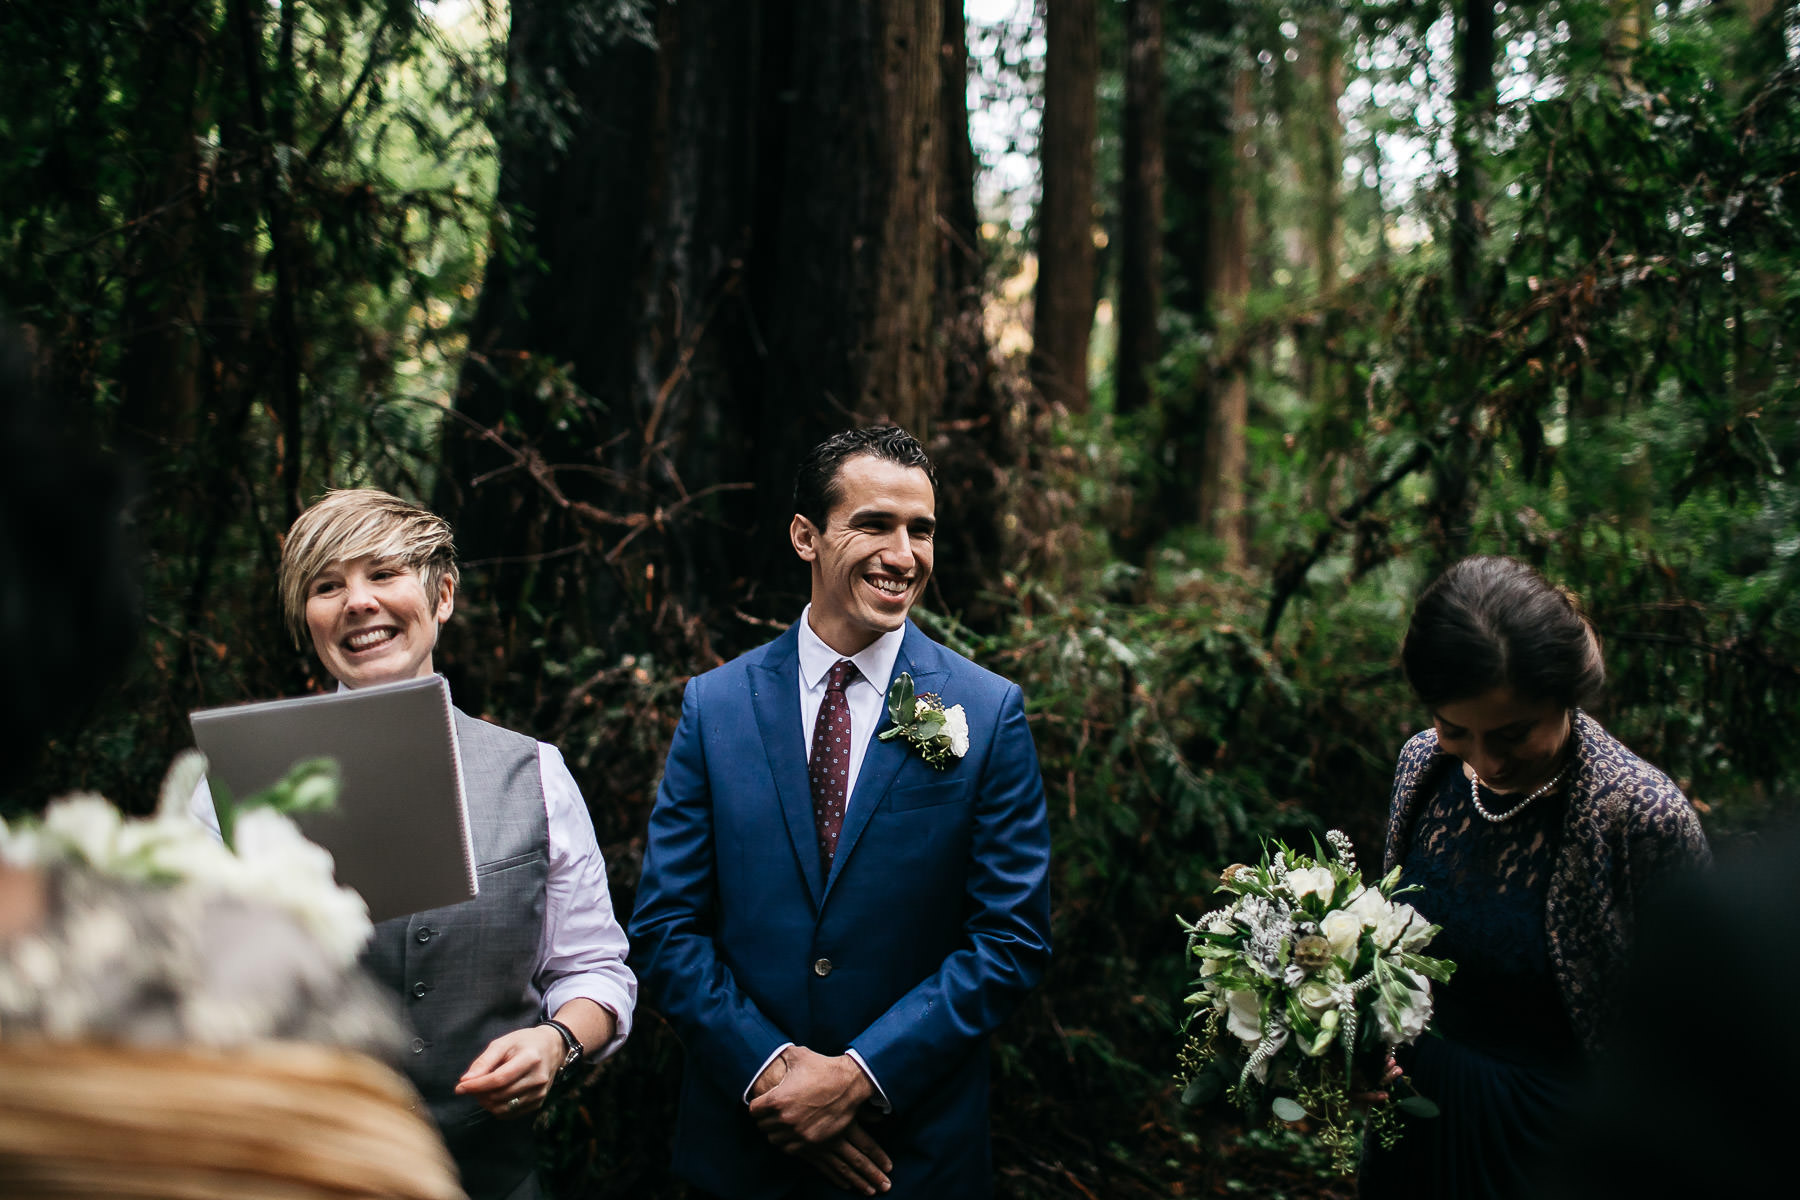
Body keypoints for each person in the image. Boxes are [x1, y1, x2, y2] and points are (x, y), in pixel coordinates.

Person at [629, 426, 1053, 1199]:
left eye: (920, 530)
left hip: (911, 1158)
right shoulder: (715, 705)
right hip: (742, 1149)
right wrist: (774, 1074)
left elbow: (1011, 937)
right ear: (805, 536)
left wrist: (861, 1076)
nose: (903, 555)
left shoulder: (986, 714)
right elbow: (665, 927)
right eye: (873, 524)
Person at [191, 489, 637, 1200]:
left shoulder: (535, 774)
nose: (357, 602)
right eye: (327, 585)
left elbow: (595, 971)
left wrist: (556, 1044)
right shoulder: (235, 785)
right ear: (308, 618)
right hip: (302, 1172)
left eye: (383, 574)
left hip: (487, 1175)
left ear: (443, 595)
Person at [1359, 555, 1710, 1198]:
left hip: (1560, 1148)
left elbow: (1698, 1035)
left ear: (1566, 696)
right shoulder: (1421, 767)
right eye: (1455, 729)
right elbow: (1389, 948)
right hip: (1418, 1119)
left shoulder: (1642, 815)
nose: (1487, 761)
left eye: (1514, 733)